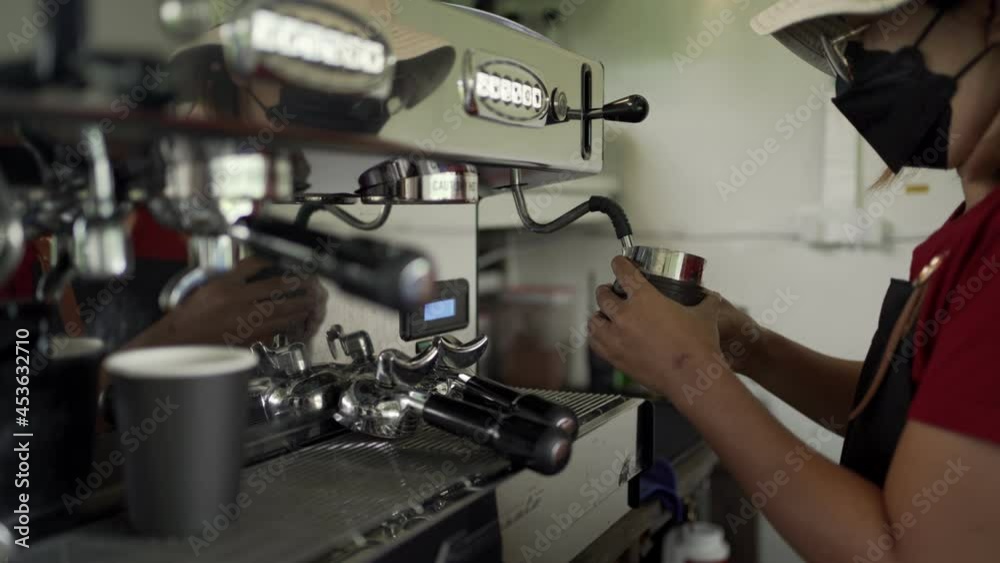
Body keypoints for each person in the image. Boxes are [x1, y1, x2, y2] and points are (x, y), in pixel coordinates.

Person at [589, 0, 999, 561]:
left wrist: (690, 371)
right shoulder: (971, 229)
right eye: (839, 50)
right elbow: (911, 411)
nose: (852, 69)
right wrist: (747, 345)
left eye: (864, 33)